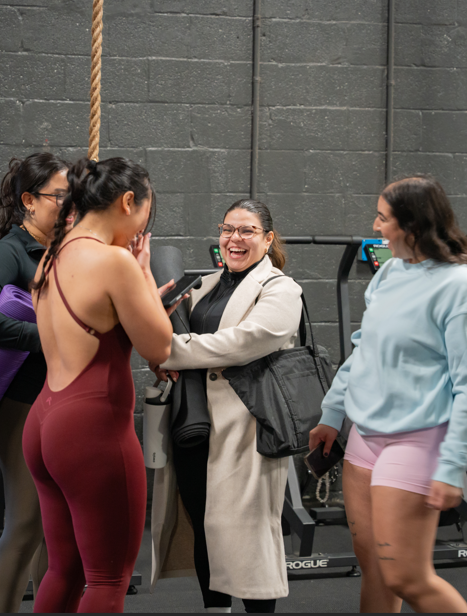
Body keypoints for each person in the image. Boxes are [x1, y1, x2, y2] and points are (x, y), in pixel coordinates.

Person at [309, 175, 467, 613]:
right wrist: (333, 413)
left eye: (382, 218)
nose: (375, 227)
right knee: (374, 568)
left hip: (419, 438)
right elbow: (365, 350)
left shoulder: (464, 290)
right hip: (365, 436)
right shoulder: (392, 272)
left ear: (412, 226)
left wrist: (453, 466)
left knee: (406, 576)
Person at [23, 157, 177, 613]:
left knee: (63, 570)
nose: (142, 227)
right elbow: (160, 347)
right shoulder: (115, 262)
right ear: (128, 201)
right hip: (91, 431)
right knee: (108, 580)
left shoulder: (50, 257)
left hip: (45, 420)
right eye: (146, 214)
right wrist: (144, 275)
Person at [150, 200, 303, 613]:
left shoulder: (281, 289)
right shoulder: (202, 286)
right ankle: (215, 609)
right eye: (227, 229)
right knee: (205, 527)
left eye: (247, 230)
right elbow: (160, 323)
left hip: (248, 430)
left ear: (268, 239)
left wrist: (170, 350)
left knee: (252, 536)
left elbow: (243, 342)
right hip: (196, 426)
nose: (235, 239)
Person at [0, 152, 71, 613]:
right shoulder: (10, 250)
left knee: (57, 524)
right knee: (28, 520)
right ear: (29, 200)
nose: (69, 204)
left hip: (59, 402)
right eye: (59, 196)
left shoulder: (64, 249)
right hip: (20, 404)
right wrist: (41, 337)